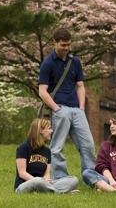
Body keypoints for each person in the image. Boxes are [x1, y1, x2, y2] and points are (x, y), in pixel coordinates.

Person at [38, 28, 96, 181]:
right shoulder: (47, 63)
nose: (66, 48)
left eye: (68, 45)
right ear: (54, 43)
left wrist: (82, 107)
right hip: (60, 110)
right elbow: (42, 91)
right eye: (63, 45)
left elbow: (81, 85)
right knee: (57, 148)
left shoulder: (75, 61)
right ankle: (61, 178)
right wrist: (56, 108)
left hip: (77, 110)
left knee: (88, 145)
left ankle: (91, 178)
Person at [14, 118, 78, 193]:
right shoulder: (23, 147)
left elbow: (47, 174)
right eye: (49, 128)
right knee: (37, 180)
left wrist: (45, 182)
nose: (52, 131)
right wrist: (40, 182)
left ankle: (49, 191)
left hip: (42, 185)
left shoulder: (47, 151)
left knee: (73, 180)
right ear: (41, 130)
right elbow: (22, 173)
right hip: (25, 185)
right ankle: (60, 192)